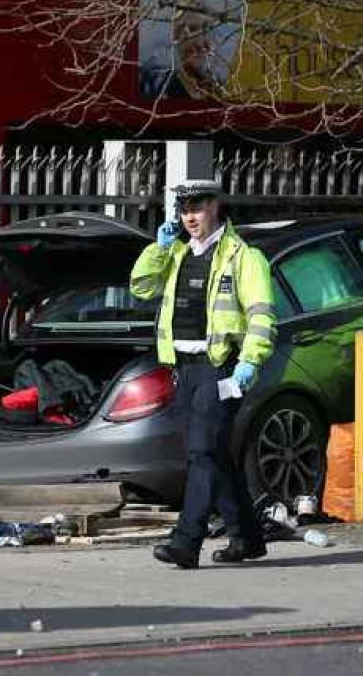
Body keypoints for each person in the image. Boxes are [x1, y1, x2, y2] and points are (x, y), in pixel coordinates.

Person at [129, 179, 277, 568]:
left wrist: (251, 362)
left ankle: (186, 541)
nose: (189, 217)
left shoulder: (244, 258)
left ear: (215, 206)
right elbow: (141, 288)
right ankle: (247, 538)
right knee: (214, 456)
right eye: (183, 210)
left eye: (196, 208)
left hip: (223, 368)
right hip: (185, 369)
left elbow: (262, 316)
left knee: (202, 453)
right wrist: (157, 249)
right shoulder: (176, 255)